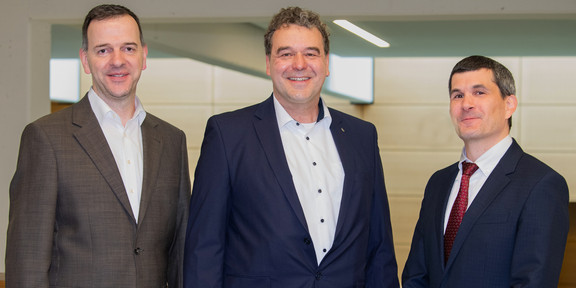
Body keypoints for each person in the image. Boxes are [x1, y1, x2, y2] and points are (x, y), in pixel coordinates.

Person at [183, 6, 399, 288]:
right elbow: (204, 248)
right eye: (285, 53)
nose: (299, 64)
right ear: (269, 63)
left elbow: (379, 244)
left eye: (311, 53)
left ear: (326, 62)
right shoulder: (227, 134)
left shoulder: (362, 136)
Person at [6, 4, 190, 288]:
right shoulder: (45, 138)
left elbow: (179, 253)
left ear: (144, 55)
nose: (117, 61)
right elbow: (27, 260)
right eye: (103, 50)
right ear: (85, 59)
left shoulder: (171, 140)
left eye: (128, 48)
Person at [402, 55, 570, 287]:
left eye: (479, 92)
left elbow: (533, 281)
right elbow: (416, 275)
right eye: (457, 95)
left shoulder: (541, 184)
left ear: (509, 105)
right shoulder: (438, 183)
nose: (466, 104)